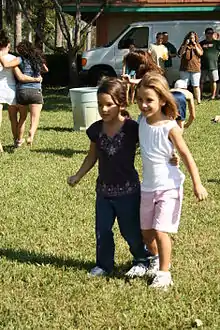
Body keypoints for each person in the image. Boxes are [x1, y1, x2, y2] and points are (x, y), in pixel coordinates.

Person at [67, 77, 151, 278]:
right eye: (100, 105)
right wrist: (78, 175)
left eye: (109, 105)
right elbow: (92, 156)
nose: (103, 109)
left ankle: (141, 260)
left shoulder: (133, 129)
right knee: (102, 230)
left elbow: (153, 145)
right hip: (103, 192)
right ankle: (104, 265)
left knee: (129, 230)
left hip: (129, 192)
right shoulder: (96, 129)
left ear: (121, 104)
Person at [136, 72, 208, 290]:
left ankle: (165, 273)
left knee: (160, 231)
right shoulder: (141, 123)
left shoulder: (171, 127)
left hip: (169, 187)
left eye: (149, 100)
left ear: (162, 100)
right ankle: (156, 259)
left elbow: (186, 155)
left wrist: (198, 183)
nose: (144, 105)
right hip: (147, 187)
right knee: (146, 233)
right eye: (140, 100)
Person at [0, 40, 48, 146]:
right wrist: (38, 72)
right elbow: (45, 69)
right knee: (35, 117)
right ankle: (31, 134)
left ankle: (18, 139)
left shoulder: (19, 59)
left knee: (22, 117)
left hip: (22, 91)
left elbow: (6, 65)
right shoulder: (37, 59)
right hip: (36, 90)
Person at [178, 31, 203, 104]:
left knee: (196, 85)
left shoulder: (197, 45)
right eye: (190, 37)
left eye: (193, 37)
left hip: (195, 69)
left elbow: (200, 53)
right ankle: (183, 100)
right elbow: (180, 54)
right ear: (187, 38)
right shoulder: (183, 46)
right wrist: (186, 45)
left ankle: (198, 101)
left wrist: (195, 45)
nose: (192, 39)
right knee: (184, 86)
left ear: (195, 38)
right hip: (185, 69)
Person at [200, 28, 220, 100]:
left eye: (211, 33)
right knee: (201, 81)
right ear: (205, 34)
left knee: (213, 81)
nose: (210, 34)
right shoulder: (201, 43)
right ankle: (200, 96)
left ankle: (213, 95)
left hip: (214, 66)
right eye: (208, 33)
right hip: (203, 66)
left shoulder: (217, 43)